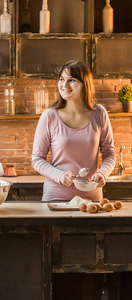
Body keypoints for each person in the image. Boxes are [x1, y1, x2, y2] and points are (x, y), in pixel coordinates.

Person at [32, 60, 116, 202]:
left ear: (85, 84)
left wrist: (103, 173)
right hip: (55, 199)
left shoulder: (99, 113)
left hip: (91, 200)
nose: (64, 85)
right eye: (62, 79)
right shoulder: (49, 115)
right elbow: (37, 159)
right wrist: (59, 176)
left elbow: (110, 153)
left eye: (72, 80)